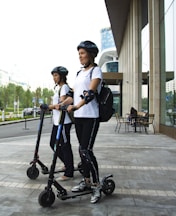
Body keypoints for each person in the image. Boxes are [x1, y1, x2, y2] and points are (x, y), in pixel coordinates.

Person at [61, 40, 103, 203]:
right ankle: (86, 181)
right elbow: (74, 94)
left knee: (86, 150)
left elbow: (90, 93)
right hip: (79, 117)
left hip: (91, 116)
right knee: (81, 150)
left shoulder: (96, 71)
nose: (80, 56)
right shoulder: (79, 74)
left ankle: (96, 185)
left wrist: (76, 106)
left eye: (83, 53)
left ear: (91, 55)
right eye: (79, 54)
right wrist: (61, 104)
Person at [47, 66, 74, 181]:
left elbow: (61, 105)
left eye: (56, 75)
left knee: (65, 146)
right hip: (57, 122)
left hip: (63, 122)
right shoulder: (58, 88)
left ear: (62, 76)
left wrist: (49, 107)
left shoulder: (64, 87)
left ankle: (69, 172)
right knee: (53, 143)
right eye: (53, 75)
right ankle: (68, 164)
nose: (54, 77)